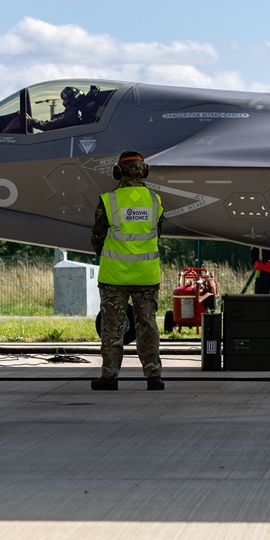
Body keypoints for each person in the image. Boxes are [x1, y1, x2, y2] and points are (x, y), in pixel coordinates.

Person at [90, 150, 165, 390]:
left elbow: (97, 237)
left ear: (117, 172)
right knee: (147, 325)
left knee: (112, 327)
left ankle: (109, 377)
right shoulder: (155, 201)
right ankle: (153, 377)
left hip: (115, 276)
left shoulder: (108, 200)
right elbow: (157, 234)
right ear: (144, 171)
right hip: (146, 274)